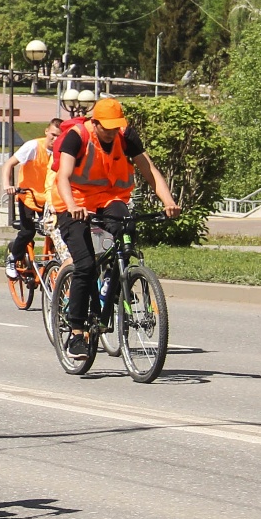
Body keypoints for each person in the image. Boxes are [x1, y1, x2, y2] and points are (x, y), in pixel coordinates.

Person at [53, 97, 182, 359]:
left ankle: (114, 280)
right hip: (74, 203)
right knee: (86, 265)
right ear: (95, 122)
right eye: (107, 128)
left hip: (110, 200)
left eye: (116, 127)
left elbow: (149, 170)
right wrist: (71, 205)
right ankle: (76, 332)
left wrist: (168, 201)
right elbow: (63, 176)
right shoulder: (77, 136)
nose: (112, 132)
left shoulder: (126, 136)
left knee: (127, 230)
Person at [2, 118, 64, 278]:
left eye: (59, 136)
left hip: (50, 199)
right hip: (28, 196)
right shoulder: (33, 146)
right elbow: (9, 164)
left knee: (57, 230)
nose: (55, 140)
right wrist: (7, 185)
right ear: (46, 131)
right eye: (53, 135)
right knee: (28, 231)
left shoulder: (62, 151)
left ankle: (56, 264)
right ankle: (13, 258)